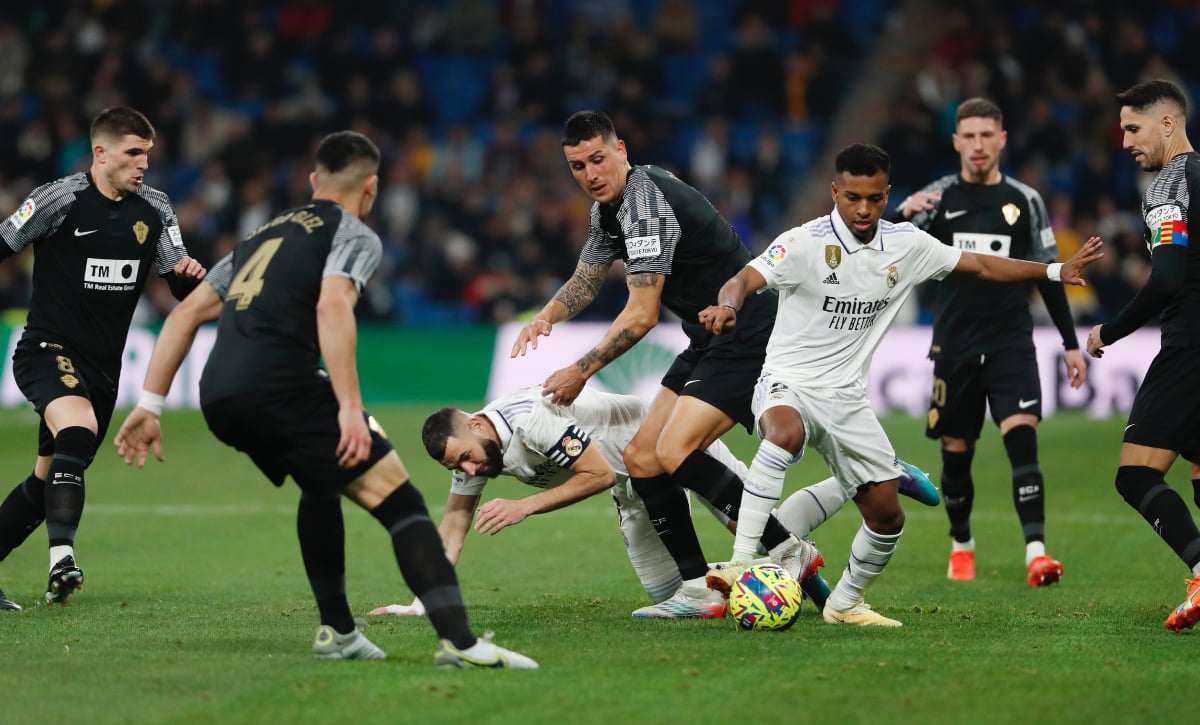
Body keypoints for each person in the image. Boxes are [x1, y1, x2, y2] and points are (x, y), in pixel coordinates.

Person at [112, 131, 536, 667]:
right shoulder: (354, 234)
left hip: (219, 395)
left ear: (314, 182)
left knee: (321, 483)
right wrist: (348, 408)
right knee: (401, 501)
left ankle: (338, 631)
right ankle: (461, 642)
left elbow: (183, 314)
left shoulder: (260, 235)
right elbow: (333, 308)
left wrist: (149, 404)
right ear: (372, 188)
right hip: (282, 385)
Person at [702, 143, 1102, 626]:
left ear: (888, 193)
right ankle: (744, 561)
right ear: (834, 192)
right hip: (790, 382)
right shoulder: (804, 242)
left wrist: (1056, 270)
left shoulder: (906, 244)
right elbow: (744, 279)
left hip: (847, 400)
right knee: (783, 434)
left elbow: (979, 264)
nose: (864, 209)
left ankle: (845, 603)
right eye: (853, 197)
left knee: (889, 518)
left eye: (874, 198)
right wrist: (728, 306)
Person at [511, 110, 820, 619]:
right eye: (577, 166)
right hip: (707, 337)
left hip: (748, 331)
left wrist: (580, 371)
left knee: (674, 450)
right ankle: (698, 590)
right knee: (642, 457)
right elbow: (588, 278)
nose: (590, 174)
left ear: (621, 151)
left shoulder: (645, 202)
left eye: (597, 159)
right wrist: (547, 315)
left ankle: (788, 550)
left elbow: (640, 316)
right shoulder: (607, 210)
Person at [368, 384, 940, 616]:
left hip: (665, 442)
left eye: (467, 456)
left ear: (474, 423)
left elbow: (592, 474)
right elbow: (452, 525)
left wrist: (524, 507)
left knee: (756, 524)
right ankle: (789, 563)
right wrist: (423, 604)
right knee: (670, 595)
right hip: (632, 485)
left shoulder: (530, 421)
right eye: (457, 467)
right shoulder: (478, 452)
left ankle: (877, 475)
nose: (471, 470)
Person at [0, 107, 207, 611]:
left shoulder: (155, 209)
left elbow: (177, 283)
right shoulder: (58, 199)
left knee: (48, 478)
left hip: (102, 367)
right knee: (78, 429)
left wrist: (187, 275)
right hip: (46, 350)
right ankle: (62, 560)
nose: (143, 165)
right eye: (134, 153)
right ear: (101, 153)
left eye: (148, 156)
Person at [893, 97, 1085, 587]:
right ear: (956, 142)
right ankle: (962, 545)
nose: (978, 145)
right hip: (954, 346)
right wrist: (901, 212)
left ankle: (1036, 554)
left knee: (1023, 439)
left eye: (987, 135)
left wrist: (1068, 342)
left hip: (1011, 343)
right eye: (969, 136)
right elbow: (885, 253)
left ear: (1001, 139)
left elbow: (1047, 273)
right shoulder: (934, 199)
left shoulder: (1025, 200)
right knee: (956, 454)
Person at [1086, 79, 1200, 632]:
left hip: (1190, 347)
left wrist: (1110, 329)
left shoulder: (1170, 184)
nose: (1125, 139)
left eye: (1134, 127)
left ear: (1168, 124)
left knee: (1134, 475)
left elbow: (1167, 279)